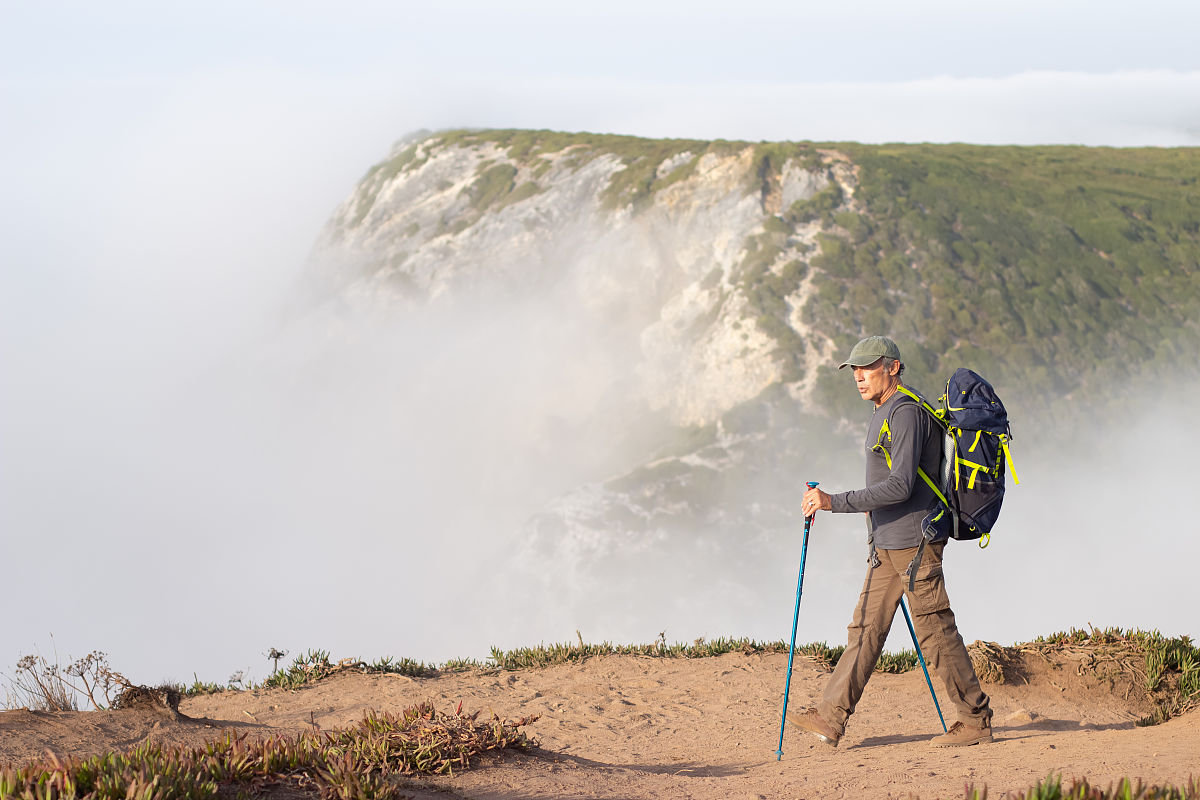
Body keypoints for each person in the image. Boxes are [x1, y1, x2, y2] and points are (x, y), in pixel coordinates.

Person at [788, 335, 993, 748]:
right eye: (855, 370)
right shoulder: (884, 410)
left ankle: (975, 721)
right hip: (888, 544)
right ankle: (830, 718)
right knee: (864, 629)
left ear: (893, 367)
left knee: (935, 633)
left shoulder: (904, 414)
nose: (859, 377)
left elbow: (899, 485)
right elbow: (891, 483)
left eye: (868, 367)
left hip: (914, 545)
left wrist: (834, 502)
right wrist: (868, 510)